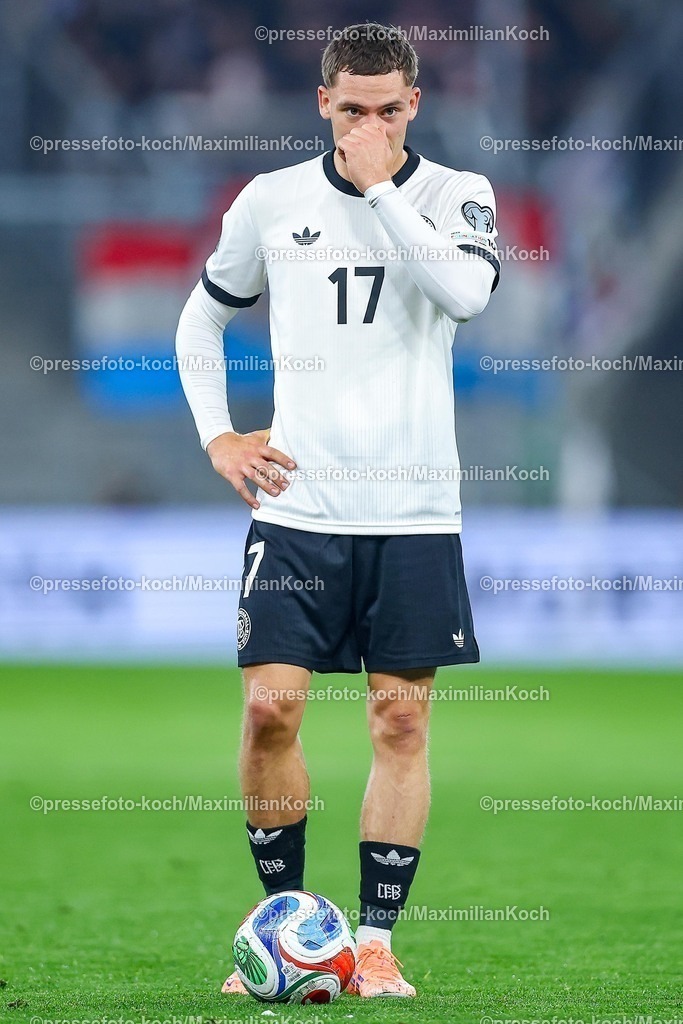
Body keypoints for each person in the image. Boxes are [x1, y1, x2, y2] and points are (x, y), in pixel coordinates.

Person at [176, 21, 500, 999]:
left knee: (398, 727)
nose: (369, 123)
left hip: (411, 513)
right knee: (271, 706)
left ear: (414, 106)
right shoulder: (269, 200)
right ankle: (278, 921)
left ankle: (371, 942)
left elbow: (464, 295)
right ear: (321, 103)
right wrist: (217, 434)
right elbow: (203, 313)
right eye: (350, 108)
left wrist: (381, 189)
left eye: (387, 108)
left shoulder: (456, 197)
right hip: (298, 507)